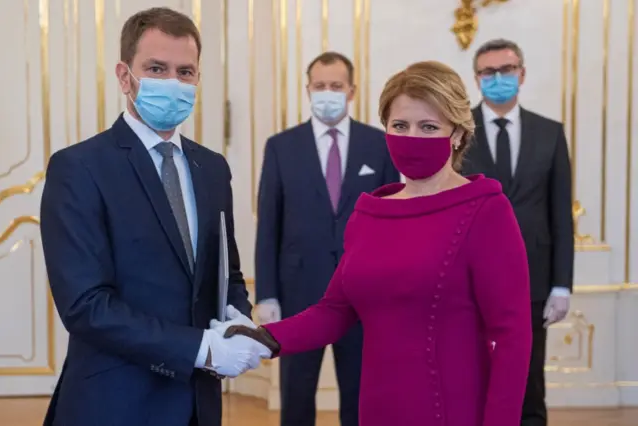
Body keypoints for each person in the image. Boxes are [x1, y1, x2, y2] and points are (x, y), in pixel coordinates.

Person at [225, 61, 533, 426]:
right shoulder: (371, 212)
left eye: (428, 126)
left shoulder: (485, 209)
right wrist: (265, 338)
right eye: (400, 125)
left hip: (450, 409)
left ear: (456, 134)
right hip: (378, 407)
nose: (412, 137)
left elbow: (512, 336)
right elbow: (335, 310)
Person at [40, 8, 266, 426]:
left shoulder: (212, 167)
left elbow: (227, 273)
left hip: (198, 402)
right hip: (115, 402)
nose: (173, 83)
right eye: (157, 69)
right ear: (125, 77)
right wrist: (201, 348)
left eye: (185, 72)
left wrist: (238, 317)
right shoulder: (79, 167)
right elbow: (86, 305)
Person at [254, 51, 400, 426]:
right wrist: (267, 294)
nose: (328, 93)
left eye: (336, 86)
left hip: (363, 294)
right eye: (320, 86)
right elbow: (269, 224)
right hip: (299, 293)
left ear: (352, 91)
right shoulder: (281, 147)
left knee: (361, 392)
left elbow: (392, 222)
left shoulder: (378, 144)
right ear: (308, 90)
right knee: (297, 392)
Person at [463, 39, 574, 426]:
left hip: (533, 281)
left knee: (527, 383)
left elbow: (561, 213)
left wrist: (562, 285)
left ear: (522, 74)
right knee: (472, 379)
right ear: (476, 79)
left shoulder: (550, 133)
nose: (498, 79)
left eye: (506, 70)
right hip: (470, 281)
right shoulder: (458, 134)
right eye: (488, 72)